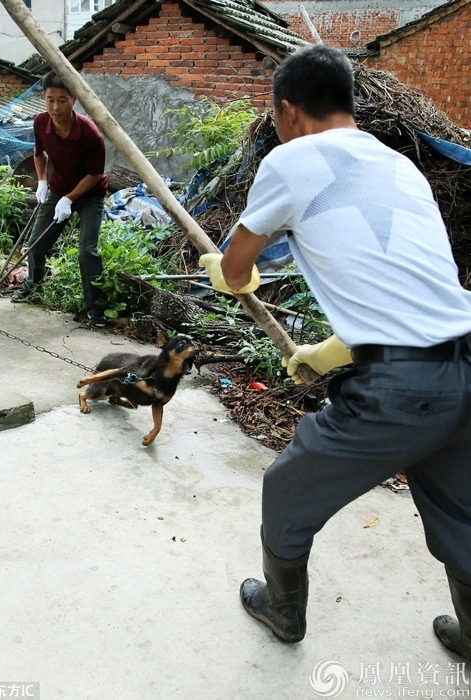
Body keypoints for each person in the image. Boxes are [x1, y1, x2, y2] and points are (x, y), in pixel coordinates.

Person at [200, 45, 471, 658]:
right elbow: (402, 288)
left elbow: (239, 266)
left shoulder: (291, 157)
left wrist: (229, 270)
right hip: (465, 369)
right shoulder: (402, 166)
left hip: (400, 393)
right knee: (464, 514)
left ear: (288, 110)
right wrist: (331, 350)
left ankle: (282, 611)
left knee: (287, 490)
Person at [11, 72, 108, 327]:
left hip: (90, 194)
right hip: (58, 188)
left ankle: (96, 311)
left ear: (73, 99)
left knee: (87, 252)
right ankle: (33, 286)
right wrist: (42, 181)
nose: (55, 107)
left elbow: (94, 174)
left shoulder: (90, 133)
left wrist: (69, 199)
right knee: (35, 245)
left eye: (62, 100)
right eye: (50, 99)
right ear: (43, 98)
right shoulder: (40, 122)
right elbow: (38, 153)